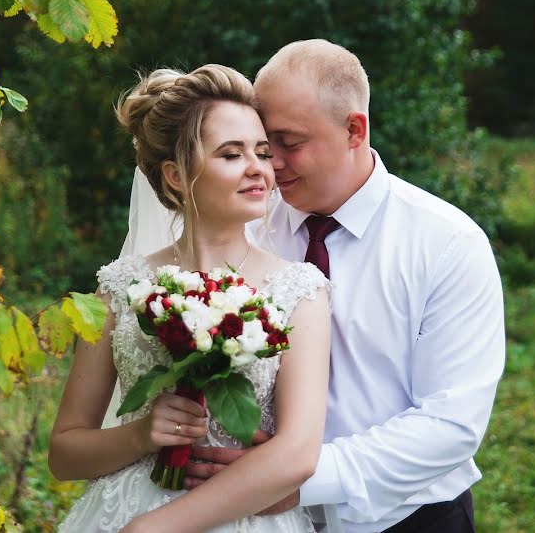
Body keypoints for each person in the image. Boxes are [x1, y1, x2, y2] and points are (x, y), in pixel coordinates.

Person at [186, 40, 505, 533]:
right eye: (265, 146)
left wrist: (302, 478)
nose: (272, 165)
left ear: (354, 129)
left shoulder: (447, 243)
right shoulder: (245, 225)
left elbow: (451, 424)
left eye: (289, 144)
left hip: (408, 518)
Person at [49, 64, 335, 532]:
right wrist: (142, 434)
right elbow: (64, 454)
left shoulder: (300, 291)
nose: (258, 168)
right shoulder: (121, 288)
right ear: (176, 176)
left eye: (262, 153)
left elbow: (299, 451)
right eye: (231, 154)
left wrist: (154, 528)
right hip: (119, 507)